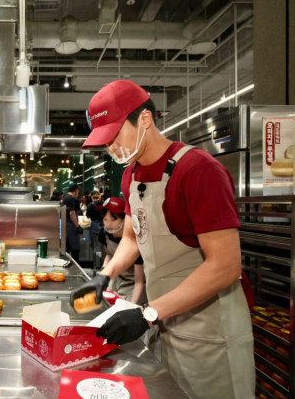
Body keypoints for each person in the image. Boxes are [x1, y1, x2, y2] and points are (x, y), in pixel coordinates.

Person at [70, 80, 254, 398]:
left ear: (145, 120)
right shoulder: (131, 175)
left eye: (115, 136)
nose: (111, 148)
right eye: (105, 142)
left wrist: (148, 312)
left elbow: (226, 266)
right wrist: (105, 275)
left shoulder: (198, 170)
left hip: (210, 333)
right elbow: (131, 237)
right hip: (165, 324)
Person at [98, 197, 146, 305]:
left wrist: (132, 306)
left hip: (133, 284)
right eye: (105, 219)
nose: (108, 224)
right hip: (116, 279)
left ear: (125, 220)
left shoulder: (136, 243)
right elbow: (109, 255)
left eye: (113, 220)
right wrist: (103, 273)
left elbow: (139, 281)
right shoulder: (104, 235)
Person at [63, 183, 83, 262]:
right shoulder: (72, 199)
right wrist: (77, 226)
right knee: (75, 247)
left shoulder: (66, 197)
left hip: (66, 224)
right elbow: (72, 213)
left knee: (67, 247)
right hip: (70, 225)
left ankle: (67, 263)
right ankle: (76, 266)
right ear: (76, 190)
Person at [85, 191, 104, 267]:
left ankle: (95, 265)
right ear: (99, 197)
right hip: (103, 224)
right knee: (103, 244)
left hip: (94, 225)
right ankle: (103, 264)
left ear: (92, 198)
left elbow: (88, 216)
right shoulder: (104, 204)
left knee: (95, 244)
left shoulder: (90, 205)